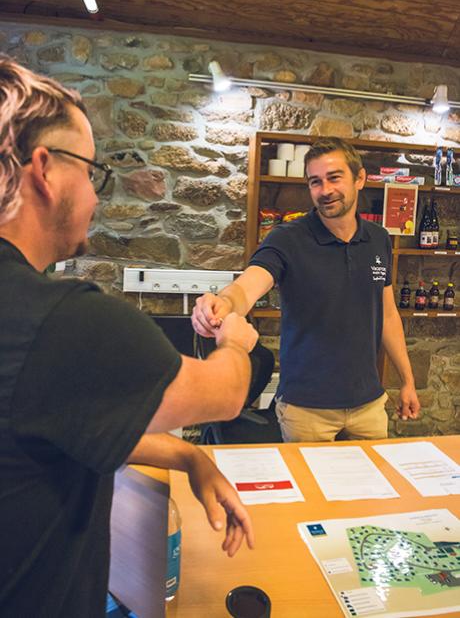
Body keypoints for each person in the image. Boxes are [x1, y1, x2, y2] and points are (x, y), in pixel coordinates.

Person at [0, 55, 258, 618]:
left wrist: (189, 456)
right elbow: (225, 391)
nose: (95, 198)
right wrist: (236, 339)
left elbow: (57, 421)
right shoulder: (61, 321)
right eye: (92, 173)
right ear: (44, 169)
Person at [193, 137, 421, 443]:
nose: (325, 190)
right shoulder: (288, 238)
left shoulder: (379, 239)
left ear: (360, 179)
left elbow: (388, 316)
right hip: (305, 409)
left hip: (368, 403)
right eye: (315, 181)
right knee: (311, 491)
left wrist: (407, 380)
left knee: (372, 490)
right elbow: (248, 287)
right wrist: (224, 302)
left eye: (334, 178)